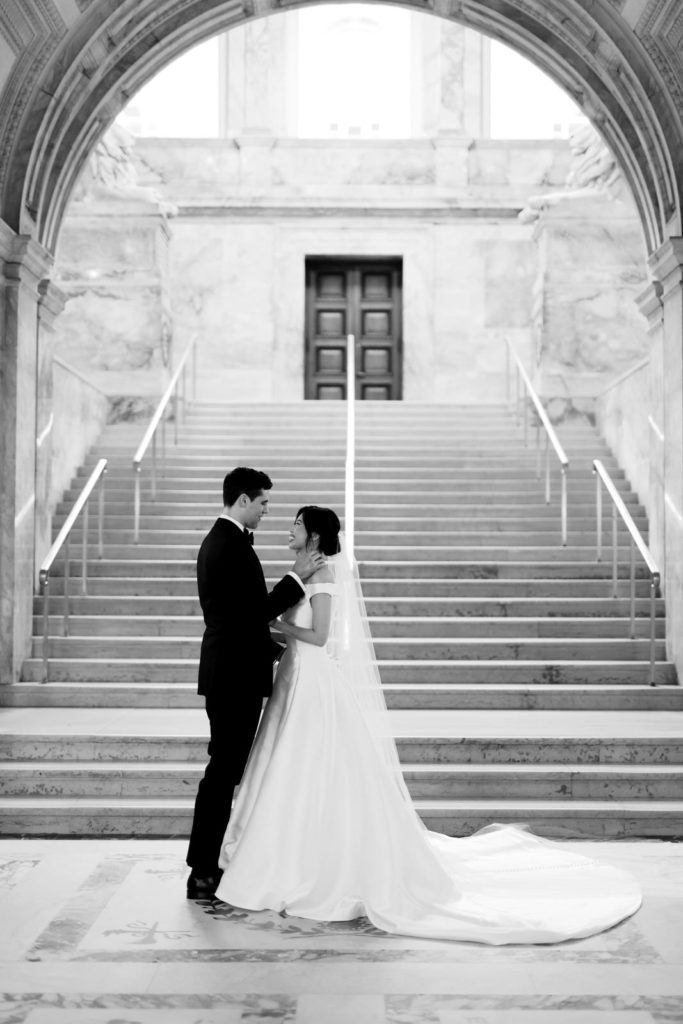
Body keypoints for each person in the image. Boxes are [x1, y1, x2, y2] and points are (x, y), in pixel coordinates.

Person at [213, 505, 642, 944]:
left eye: (297, 525)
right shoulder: (304, 570)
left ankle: (302, 863)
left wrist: (277, 622)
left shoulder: (321, 577)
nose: (289, 528)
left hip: (312, 680)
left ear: (316, 537)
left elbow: (321, 637)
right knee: (288, 769)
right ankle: (279, 855)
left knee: (306, 768)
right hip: (292, 678)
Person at [185, 469, 325, 900]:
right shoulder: (226, 546)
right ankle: (203, 870)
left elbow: (235, 618)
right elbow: (250, 614)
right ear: (243, 500)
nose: (267, 511)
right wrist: (297, 576)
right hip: (232, 678)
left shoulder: (226, 541)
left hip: (232, 669)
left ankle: (209, 863)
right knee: (223, 771)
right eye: (263, 503)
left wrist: (274, 650)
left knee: (226, 769)